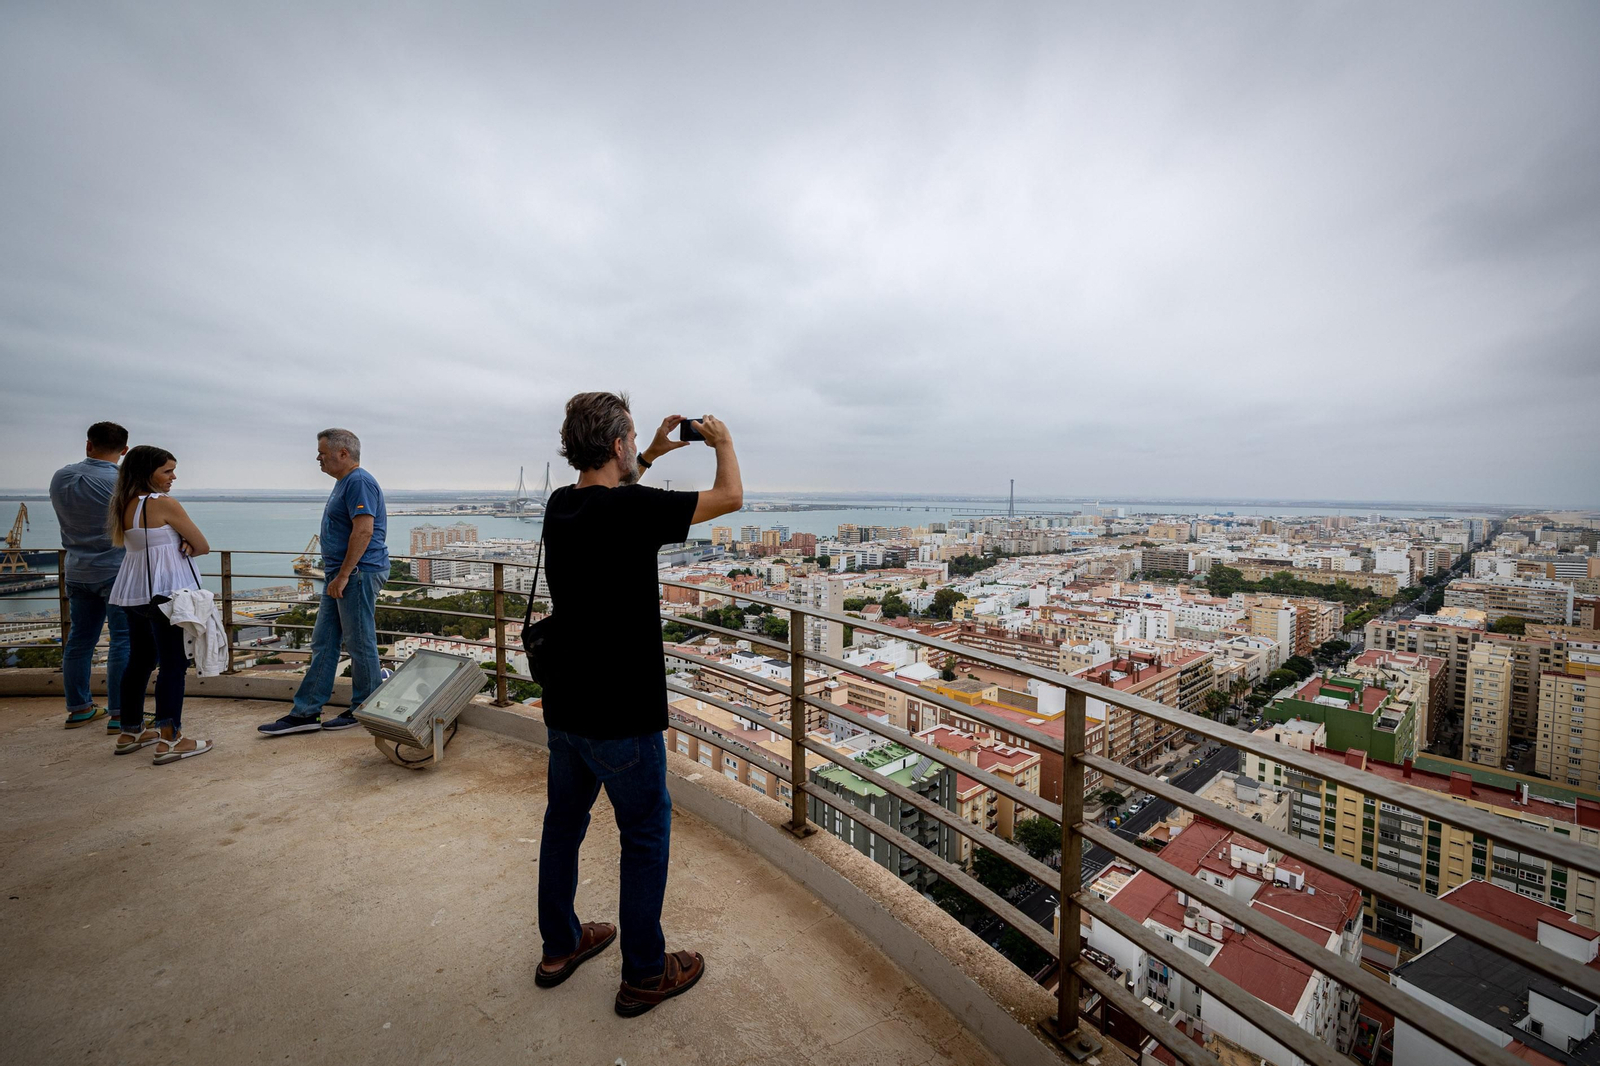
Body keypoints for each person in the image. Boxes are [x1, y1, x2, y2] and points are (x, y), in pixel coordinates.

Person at [535, 392, 742, 1017]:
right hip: (622, 713)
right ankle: (645, 973)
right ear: (617, 444)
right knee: (646, 836)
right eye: (629, 442)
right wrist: (723, 442)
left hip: (566, 707)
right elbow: (730, 498)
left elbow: (611, 494)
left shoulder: (560, 506)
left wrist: (647, 451)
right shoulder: (631, 510)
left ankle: (560, 947)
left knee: (562, 827)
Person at [259, 429, 389, 736]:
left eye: (322, 452)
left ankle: (365, 706)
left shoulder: (358, 481)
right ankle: (306, 712)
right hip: (341, 574)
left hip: (356, 573)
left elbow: (364, 531)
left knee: (360, 642)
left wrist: (344, 575)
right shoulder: (344, 483)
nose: (318, 458)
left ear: (343, 453)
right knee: (325, 641)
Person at [107, 446, 214, 763]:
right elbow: (203, 546)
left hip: (133, 591)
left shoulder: (125, 504)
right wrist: (186, 542)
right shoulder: (162, 503)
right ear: (147, 472)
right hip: (166, 594)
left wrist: (180, 541)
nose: (173, 477)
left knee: (139, 661)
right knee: (173, 665)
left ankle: (131, 731)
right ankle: (170, 739)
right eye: (167, 471)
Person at [49, 422, 132, 731]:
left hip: (76, 569)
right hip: (116, 570)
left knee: (80, 640)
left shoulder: (61, 477)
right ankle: (122, 713)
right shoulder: (123, 481)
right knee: (123, 640)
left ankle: (80, 708)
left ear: (88, 445)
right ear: (124, 451)